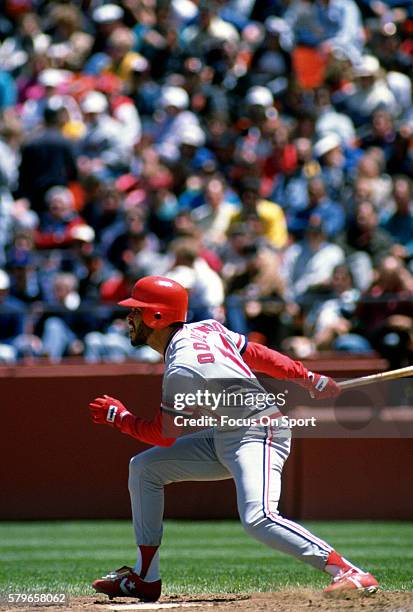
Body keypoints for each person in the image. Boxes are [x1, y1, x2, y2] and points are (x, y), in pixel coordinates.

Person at [88, 275, 379, 601]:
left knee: (259, 518)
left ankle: (349, 572)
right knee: (144, 469)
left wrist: (122, 418)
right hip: (228, 432)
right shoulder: (206, 328)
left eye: (137, 311)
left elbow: (164, 435)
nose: (129, 318)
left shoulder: (182, 369)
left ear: (157, 317)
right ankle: (145, 577)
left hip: (260, 432)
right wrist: (307, 377)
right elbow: (256, 354)